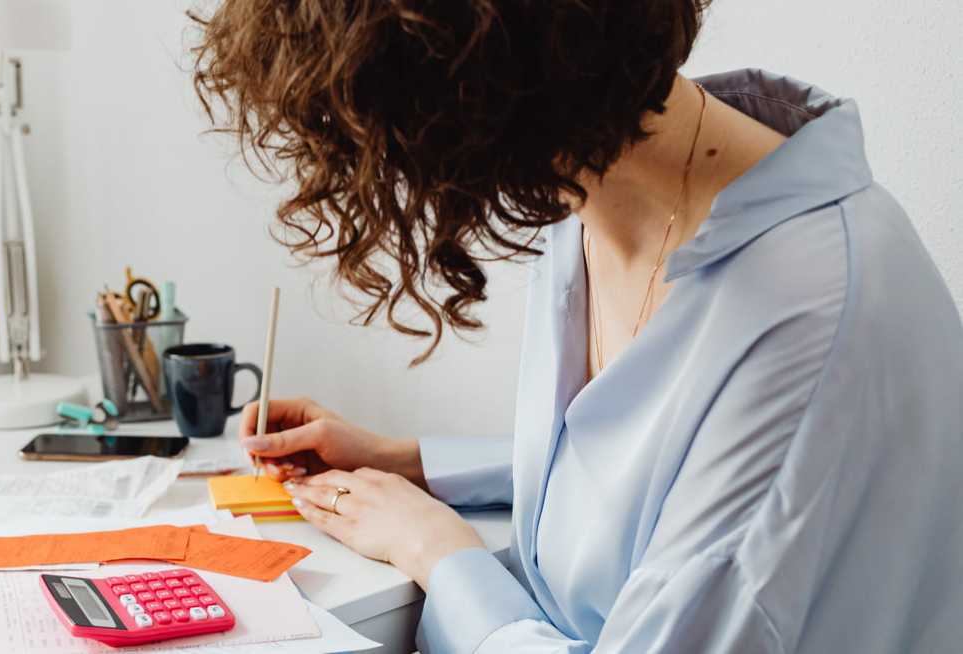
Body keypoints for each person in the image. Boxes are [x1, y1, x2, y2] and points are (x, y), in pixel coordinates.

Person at [191, 1, 963, 652]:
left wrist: (435, 549)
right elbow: (651, 478)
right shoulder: (587, 196)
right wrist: (411, 462)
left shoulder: (805, 320)